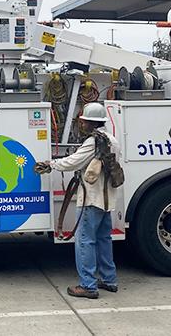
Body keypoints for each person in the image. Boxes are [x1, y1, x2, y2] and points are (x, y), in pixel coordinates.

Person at [35, 102, 120, 299]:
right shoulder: (112, 140)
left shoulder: (94, 142)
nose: (81, 125)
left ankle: (88, 285)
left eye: (83, 122)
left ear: (90, 122)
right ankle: (109, 279)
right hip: (107, 200)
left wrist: (51, 164)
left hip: (92, 199)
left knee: (84, 241)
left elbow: (73, 162)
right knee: (104, 240)